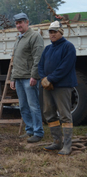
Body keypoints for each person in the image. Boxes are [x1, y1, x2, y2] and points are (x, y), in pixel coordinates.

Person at [38, 20, 77, 155]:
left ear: (61, 32)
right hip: (48, 86)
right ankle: (57, 142)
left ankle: (67, 145)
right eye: (50, 32)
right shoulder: (48, 49)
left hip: (62, 86)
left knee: (65, 115)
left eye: (55, 32)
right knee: (49, 113)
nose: (52, 34)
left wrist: (50, 79)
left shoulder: (68, 47)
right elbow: (40, 65)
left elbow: (65, 67)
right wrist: (43, 78)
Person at [10, 13, 44, 143]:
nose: (18, 25)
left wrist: (34, 76)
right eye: (17, 23)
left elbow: (38, 58)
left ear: (27, 22)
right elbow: (15, 60)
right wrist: (13, 78)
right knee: (23, 106)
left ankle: (38, 132)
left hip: (28, 78)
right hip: (18, 78)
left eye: (21, 22)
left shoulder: (34, 36)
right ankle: (29, 130)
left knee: (33, 106)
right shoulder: (19, 38)